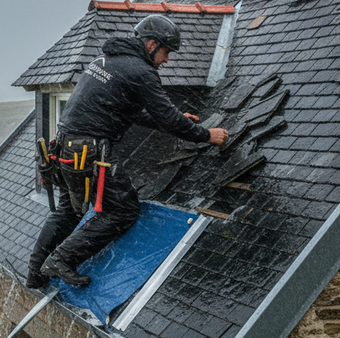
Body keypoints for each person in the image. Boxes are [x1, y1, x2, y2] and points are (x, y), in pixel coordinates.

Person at [26, 14, 229, 289]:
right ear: (151, 45)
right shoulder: (142, 72)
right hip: (89, 150)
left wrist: (177, 116)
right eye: (166, 52)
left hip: (64, 146)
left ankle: (35, 273)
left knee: (68, 210)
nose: (167, 60)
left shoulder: (104, 61)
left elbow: (136, 112)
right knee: (123, 210)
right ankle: (62, 259)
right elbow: (167, 119)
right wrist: (207, 135)